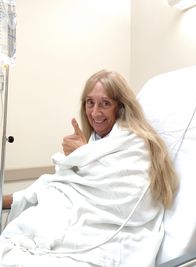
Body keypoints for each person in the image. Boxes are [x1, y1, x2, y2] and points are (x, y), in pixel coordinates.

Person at [1, 70, 178, 267]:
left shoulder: (135, 144)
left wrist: (84, 154)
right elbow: (65, 185)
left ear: (120, 107)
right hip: (64, 223)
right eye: (89, 102)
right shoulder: (95, 142)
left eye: (105, 103)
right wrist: (84, 155)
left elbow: (128, 199)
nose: (95, 112)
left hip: (108, 237)